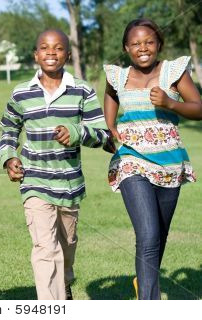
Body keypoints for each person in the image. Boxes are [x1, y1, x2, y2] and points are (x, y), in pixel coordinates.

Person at [0, 29, 112, 300]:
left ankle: (65, 282)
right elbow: (8, 129)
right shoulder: (21, 93)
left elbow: (103, 135)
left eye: (58, 48)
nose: (51, 53)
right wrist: (9, 158)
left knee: (67, 244)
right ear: (35, 54)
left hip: (69, 185)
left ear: (68, 55)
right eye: (45, 48)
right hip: (35, 181)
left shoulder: (82, 90)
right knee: (45, 249)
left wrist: (76, 132)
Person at [103, 18, 202, 300]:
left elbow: (198, 108)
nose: (142, 48)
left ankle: (144, 283)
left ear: (158, 44)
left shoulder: (174, 72)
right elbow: (111, 94)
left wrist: (171, 103)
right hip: (131, 161)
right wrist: (110, 126)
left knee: (159, 236)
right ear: (126, 47)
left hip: (170, 164)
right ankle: (149, 303)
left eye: (148, 42)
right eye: (135, 43)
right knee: (147, 236)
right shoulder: (117, 76)